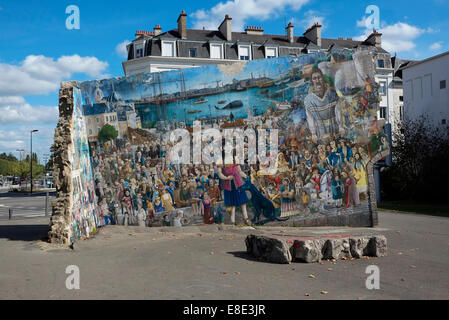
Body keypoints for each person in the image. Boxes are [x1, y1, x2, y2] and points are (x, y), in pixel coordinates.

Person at [304, 68, 343, 142]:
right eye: (314, 78)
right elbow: (310, 118)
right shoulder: (308, 100)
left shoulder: (332, 94)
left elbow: (338, 111)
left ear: (323, 78)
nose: (317, 81)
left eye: (319, 77)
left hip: (334, 127)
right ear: (312, 81)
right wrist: (313, 133)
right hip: (320, 131)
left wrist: (341, 126)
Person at [217, 158, 250, 225]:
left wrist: (246, 176)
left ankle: (246, 219)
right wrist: (227, 178)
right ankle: (233, 221)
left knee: (243, 202)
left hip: (238, 183)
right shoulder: (220, 161)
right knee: (232, 204)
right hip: (228, 185)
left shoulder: (235, 159)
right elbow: (220, 174)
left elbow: (239, 171)